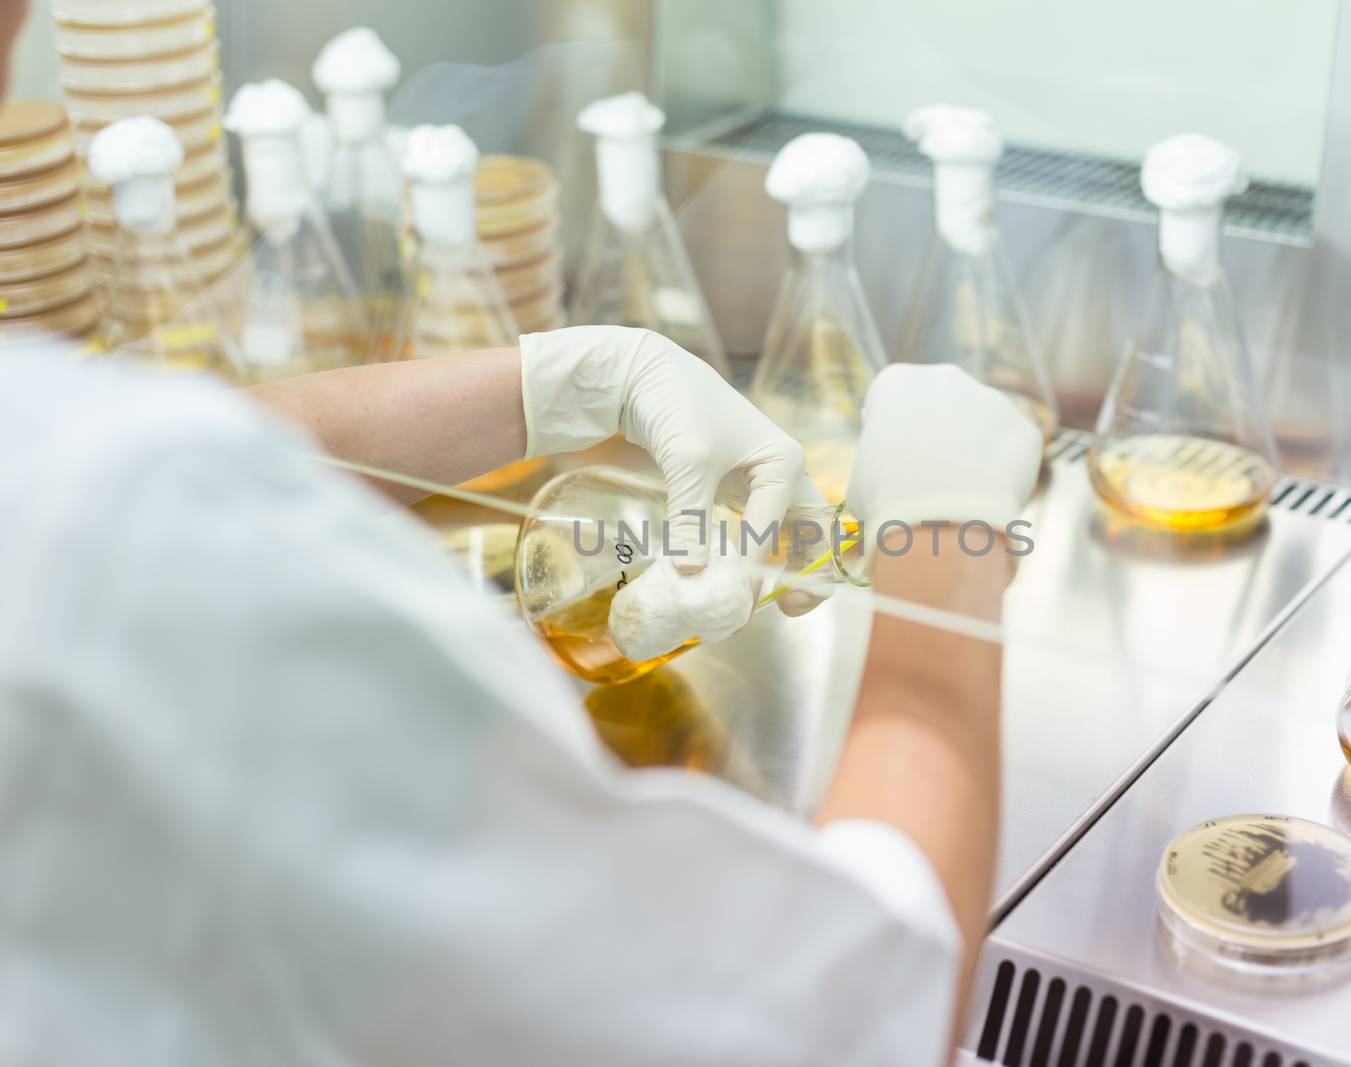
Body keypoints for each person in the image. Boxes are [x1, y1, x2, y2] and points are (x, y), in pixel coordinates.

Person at [0, 8, 1042, 1062]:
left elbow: (121, 447)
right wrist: (944, 549)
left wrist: (560, 380)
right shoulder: (106, 533)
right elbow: (844, 1013)